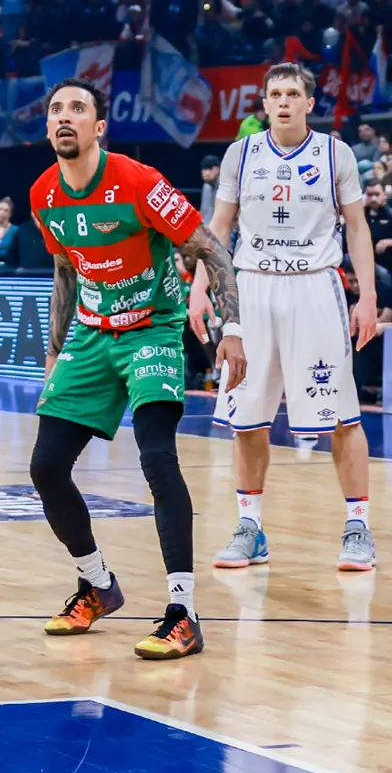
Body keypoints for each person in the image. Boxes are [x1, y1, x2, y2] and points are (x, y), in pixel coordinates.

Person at [29, 79, 241, 661]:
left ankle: (183, 612)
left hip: (152, 327)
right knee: (46, 467)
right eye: (56, 109)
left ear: (99, 127)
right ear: (47, 127)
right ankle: (97, 583)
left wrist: (233, 327)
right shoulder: (44, 194)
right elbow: (66, 272)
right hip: (91, 333)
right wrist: (54, 352)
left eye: (78, 108)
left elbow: (211, 249)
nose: (65, 117)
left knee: (157, 458)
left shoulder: (138, 182)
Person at [196, 62, 382, 573]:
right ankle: (249, 528)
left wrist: (367, 296)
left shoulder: (335, 153)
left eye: (292, 94)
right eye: (274, 94)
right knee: (246, 415)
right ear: (264, 103)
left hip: (315, 287)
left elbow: (357, 227)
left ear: (308, 103)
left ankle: (358, 528)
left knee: (342, 415)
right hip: (252, 289)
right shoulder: (241, 154)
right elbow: (218, 227)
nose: (282, 102)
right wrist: (199, 288)